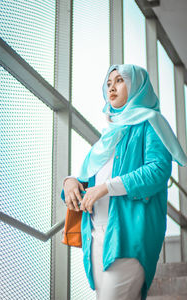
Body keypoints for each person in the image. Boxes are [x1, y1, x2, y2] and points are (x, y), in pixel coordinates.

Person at [61, 64, 187, 300]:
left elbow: (158, 170)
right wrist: (69, 181)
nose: (111, 87)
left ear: (137, 86)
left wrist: (107, 187)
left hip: (129, 234)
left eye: (119, 80)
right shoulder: (109, 134)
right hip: (96, 236)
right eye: (108, 83)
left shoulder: (151, 123)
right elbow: (86, 177)